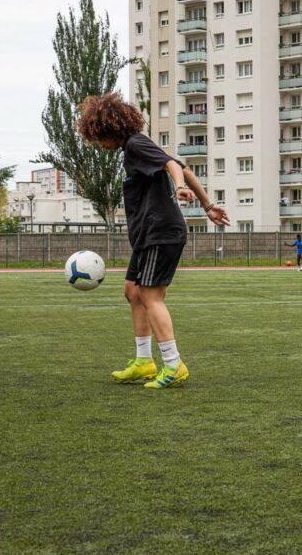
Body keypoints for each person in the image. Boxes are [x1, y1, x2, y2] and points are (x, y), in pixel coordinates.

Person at [76, 92, 230, 389]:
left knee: (150, 296)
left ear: (107, 128)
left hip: (160, 232)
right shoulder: (136, 147)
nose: (98, 144)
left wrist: (181, 187)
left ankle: (174, 365)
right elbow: (181, 165)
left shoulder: (135, 145)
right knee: (132, 291)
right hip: (149, 234)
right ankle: (144, 361)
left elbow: (176, 170)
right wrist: (208, 206)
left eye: (97, 138)